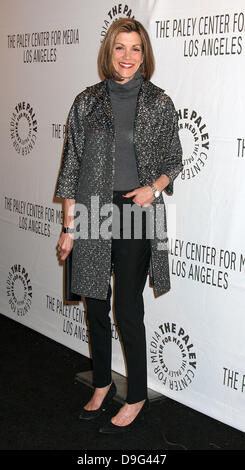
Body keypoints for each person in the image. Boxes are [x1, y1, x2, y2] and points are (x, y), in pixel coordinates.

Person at [55, 18, 183, 434]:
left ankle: (137, 395)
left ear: (145, 55)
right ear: (108, 52)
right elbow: (72, 164)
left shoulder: (159, 102)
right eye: (120, 49)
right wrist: (69, 227)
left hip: (134, 208)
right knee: (94, 301)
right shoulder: (87, 101)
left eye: (136, 49)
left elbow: (173, 160)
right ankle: (102, 383)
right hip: (93, 207)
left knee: (127, 308)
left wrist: (153, 188)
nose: (127, 57)